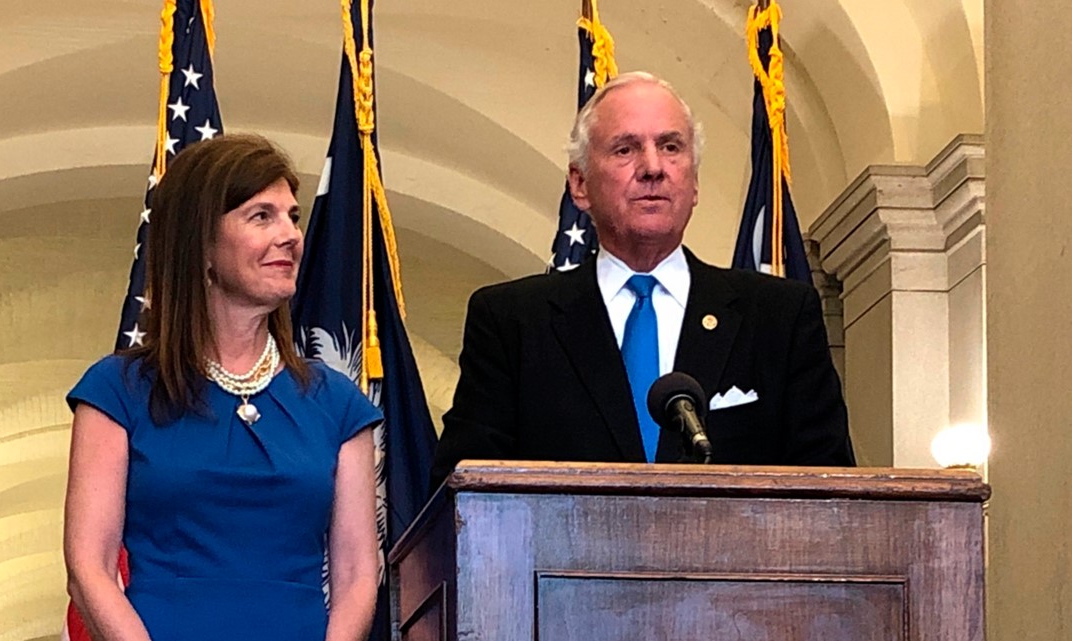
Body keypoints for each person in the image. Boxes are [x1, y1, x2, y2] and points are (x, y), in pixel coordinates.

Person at [432, 72, 854, 487]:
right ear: (579, 185)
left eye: (670, 147)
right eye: (625, 150)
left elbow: (831, 488)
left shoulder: (778, 316)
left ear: (694, 182)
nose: (653, 167)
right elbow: (461, 492)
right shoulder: (512, 322)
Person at [63, 134, 381, 641]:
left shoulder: (339, 406)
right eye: (262, 216)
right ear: (202, 244)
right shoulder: (116, 391)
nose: (292, 235)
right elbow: (89, 566)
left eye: (292, 217)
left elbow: (357, 575)